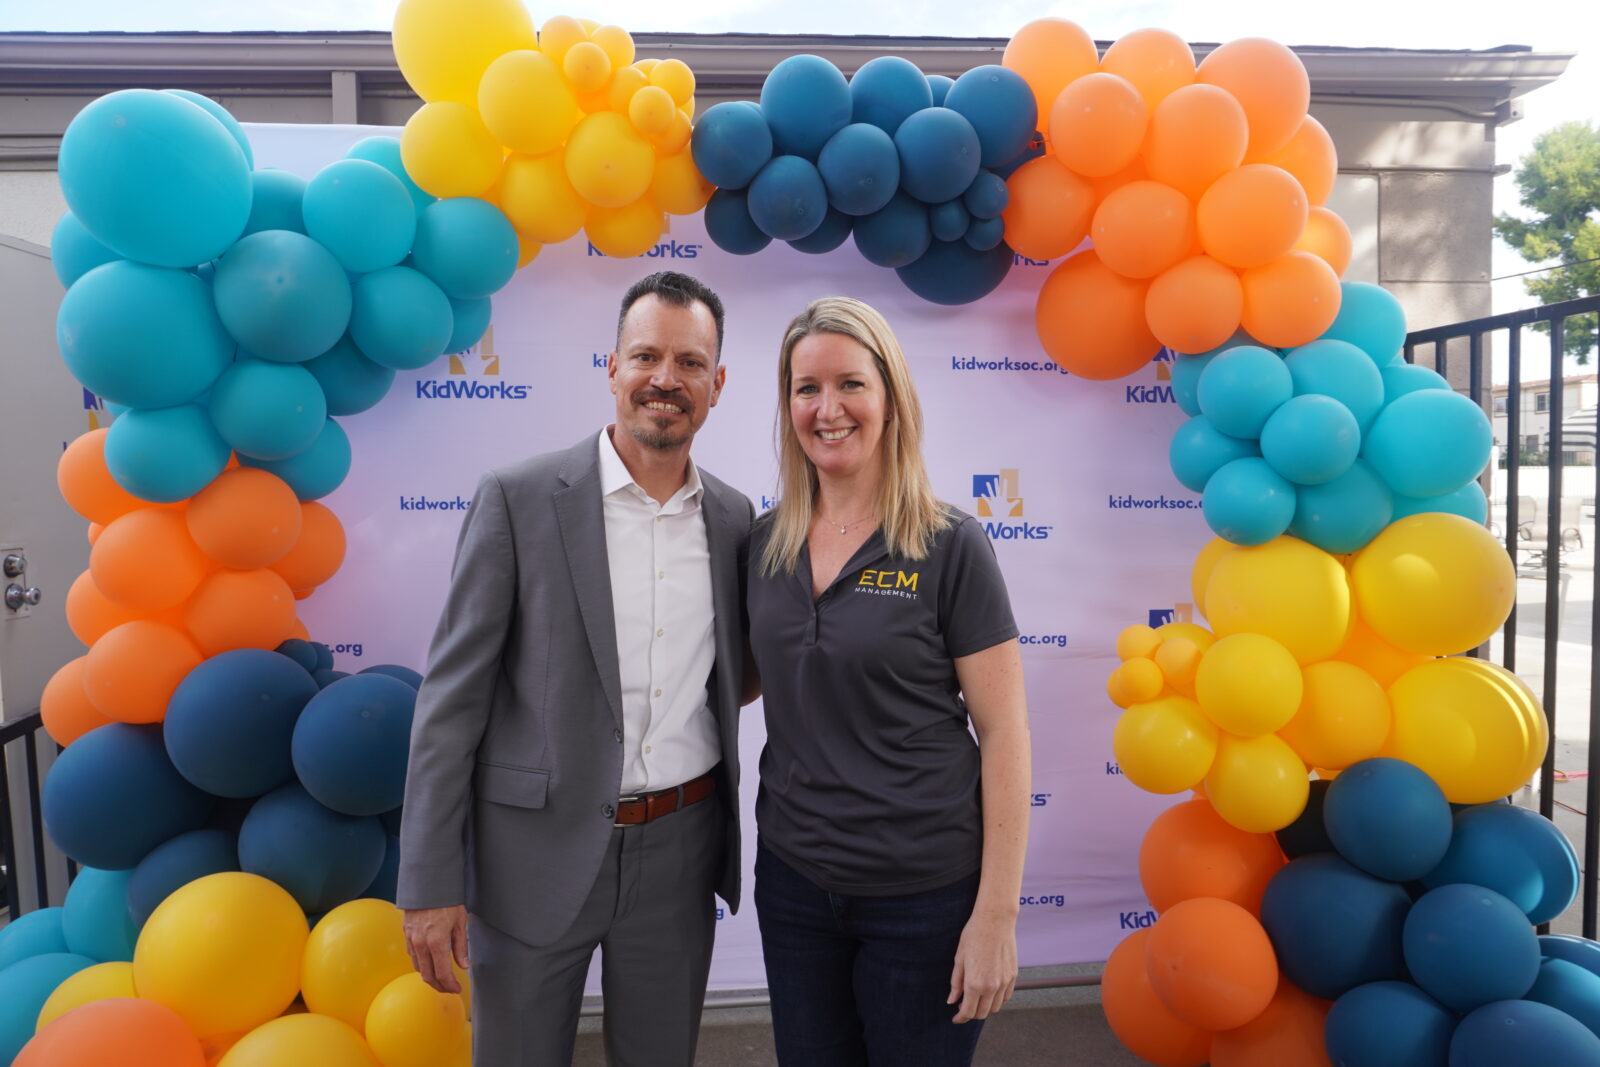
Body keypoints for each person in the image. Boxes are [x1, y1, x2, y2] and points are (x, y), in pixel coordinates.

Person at [397, 271, 755, 1066]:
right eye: (647, 356)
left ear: (718, 383)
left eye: (690, 362)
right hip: (530, 854)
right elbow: (451, 704)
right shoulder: (518, 498)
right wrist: (428, 880)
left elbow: (737, 670)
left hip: (681, 852)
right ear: (613, 367)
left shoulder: (735, 518)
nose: (666, 379)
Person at [745, 296, 1031, 1066]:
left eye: (851, 384)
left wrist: (997, 915)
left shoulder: (949, 544)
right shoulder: (762, 544)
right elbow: (738, 679)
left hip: (924, 896)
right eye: (806, 388)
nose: (827, 408)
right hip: (795, 885)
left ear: (891, 398)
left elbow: (1004, 731)